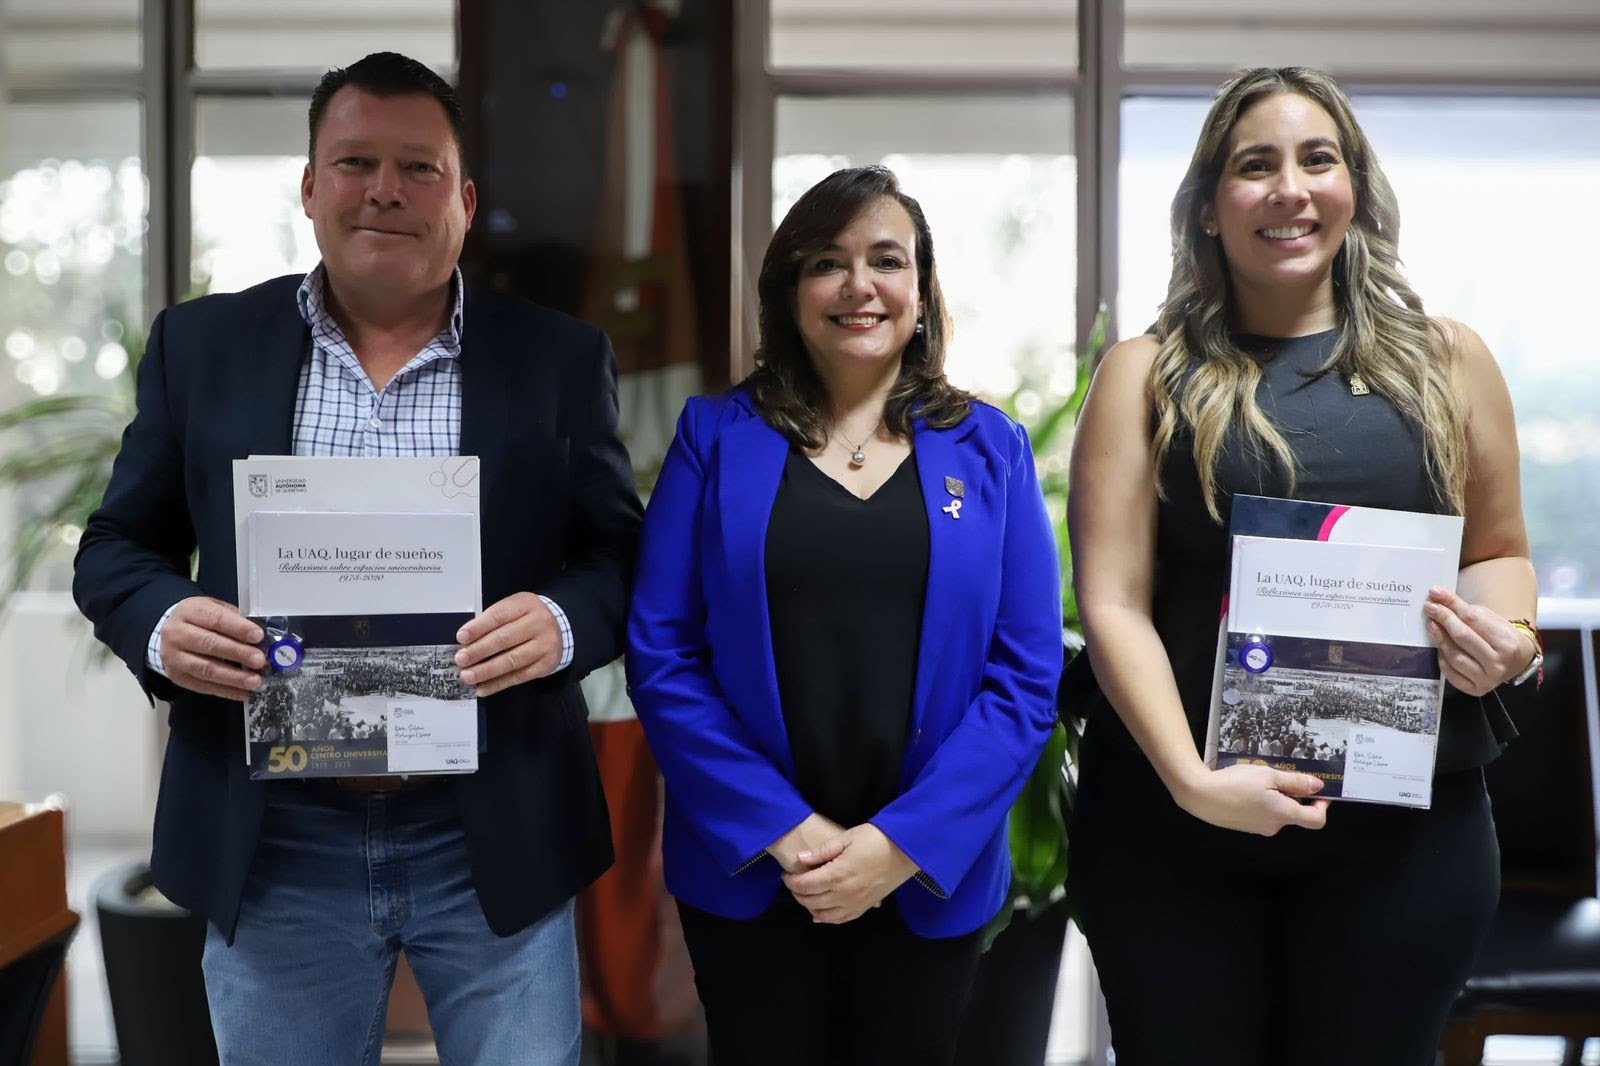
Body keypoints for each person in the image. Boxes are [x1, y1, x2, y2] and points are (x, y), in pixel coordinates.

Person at [72, 52, 641, 1065]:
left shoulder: (556, 358)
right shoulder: (201, 347)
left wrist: (560, 623)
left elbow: (620, 555)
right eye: (355, 162)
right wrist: (162, 624)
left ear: (464, 200)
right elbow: (115, 547)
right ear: (309, 186)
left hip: (491, 827)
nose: (385, 189)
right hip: (276, 835)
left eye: (419, 168)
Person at [1067, 67, 1539, 1065]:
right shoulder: (1143, 374)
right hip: (1174, 829)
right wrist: (1194, 783)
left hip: (1405, 843)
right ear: (1207, 207)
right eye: (1256, 165)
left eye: (1316, 159)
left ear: (1353, 187)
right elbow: (1111, 602)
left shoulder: (1449, 361)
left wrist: (1508, 639)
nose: (1290, 188)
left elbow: (1498, 552)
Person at [625, 165, 1062, 1065]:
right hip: (753, 869)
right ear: (790, 292)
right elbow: (663, 656)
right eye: (828, 261)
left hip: (925, 875)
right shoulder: (714, 439)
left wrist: (899, 845)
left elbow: (1024, 678)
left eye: (886, 261)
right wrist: (785, 833)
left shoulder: (994, 450)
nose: (860, 285)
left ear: (921, 291)